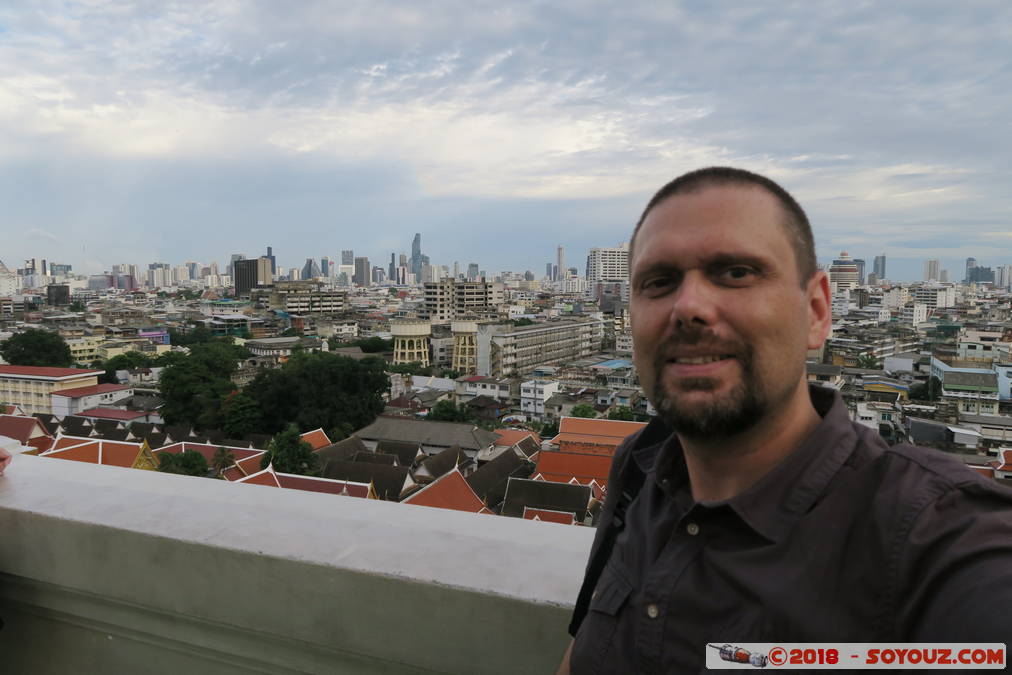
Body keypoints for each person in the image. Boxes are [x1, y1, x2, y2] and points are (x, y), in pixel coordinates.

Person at [557, 167, 1012, 674]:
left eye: (736, 273)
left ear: (817, 311)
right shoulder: (640, 471)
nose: (687, 307)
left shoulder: (931, 533)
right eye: (659, 283)